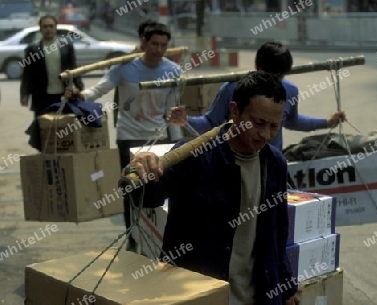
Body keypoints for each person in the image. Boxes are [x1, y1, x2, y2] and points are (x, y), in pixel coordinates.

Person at [128, 71, 300, 305]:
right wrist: (139, 169)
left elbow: (278, 233)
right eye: (259, 123)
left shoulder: (275, 164)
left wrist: (287, 288)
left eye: (274, 126)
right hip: (198, 295)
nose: (266, 134)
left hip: (255, 296)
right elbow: (149, 198)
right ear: (234, 110)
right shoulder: (195, 155)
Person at [66, 22, 183, 252]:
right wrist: (80, 94)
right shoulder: (124, 67)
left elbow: (172, 110)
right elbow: (98, 89)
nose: (159, 50)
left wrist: (177, 144)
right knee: (131, 190)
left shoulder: (173, 70)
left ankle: (158, 239)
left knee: (159, 192)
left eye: (163, 45)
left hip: (159, 139)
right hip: (129, 138)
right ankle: (133, 237)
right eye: (154, 44)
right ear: (144, 41)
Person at [167, 41, 347, 152]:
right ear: (257, 67)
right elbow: (211, 123)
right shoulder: (232, 90)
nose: (274, 82)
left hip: (270, 163)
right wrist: (186, 121)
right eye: (270, 75)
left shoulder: (289, 91)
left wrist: (327, 123)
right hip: (234, 163)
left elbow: (291, 121)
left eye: (280, 76)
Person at [20, 15, 84, 118]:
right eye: (45, 27)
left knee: (64, 128)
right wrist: (24, 94)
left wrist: (79, 88)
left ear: (55, 28)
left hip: (64, 95)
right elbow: (27, 74)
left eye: (51, 26)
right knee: (42, 129)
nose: (48, 29)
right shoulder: (33, 49)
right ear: (40, 29)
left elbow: (74, 69)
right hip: (41, 96)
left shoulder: (66, 46)